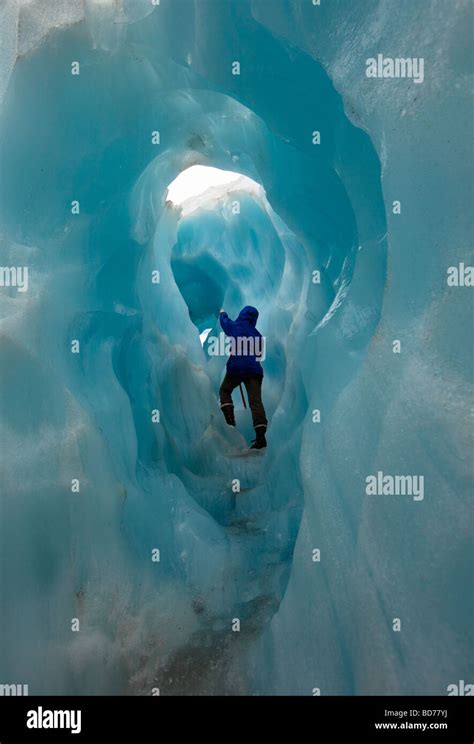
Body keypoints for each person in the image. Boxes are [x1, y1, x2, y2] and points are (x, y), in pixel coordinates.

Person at [219, 305, 268, 449]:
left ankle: (230, 421)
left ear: (242, 314)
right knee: (255, 402)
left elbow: (225, 323)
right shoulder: (258, 335)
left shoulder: (235, 326)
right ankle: (261, 438)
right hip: (254, 371)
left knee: (225, 390)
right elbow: (259, 354)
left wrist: (223, 312)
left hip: (237, 368)